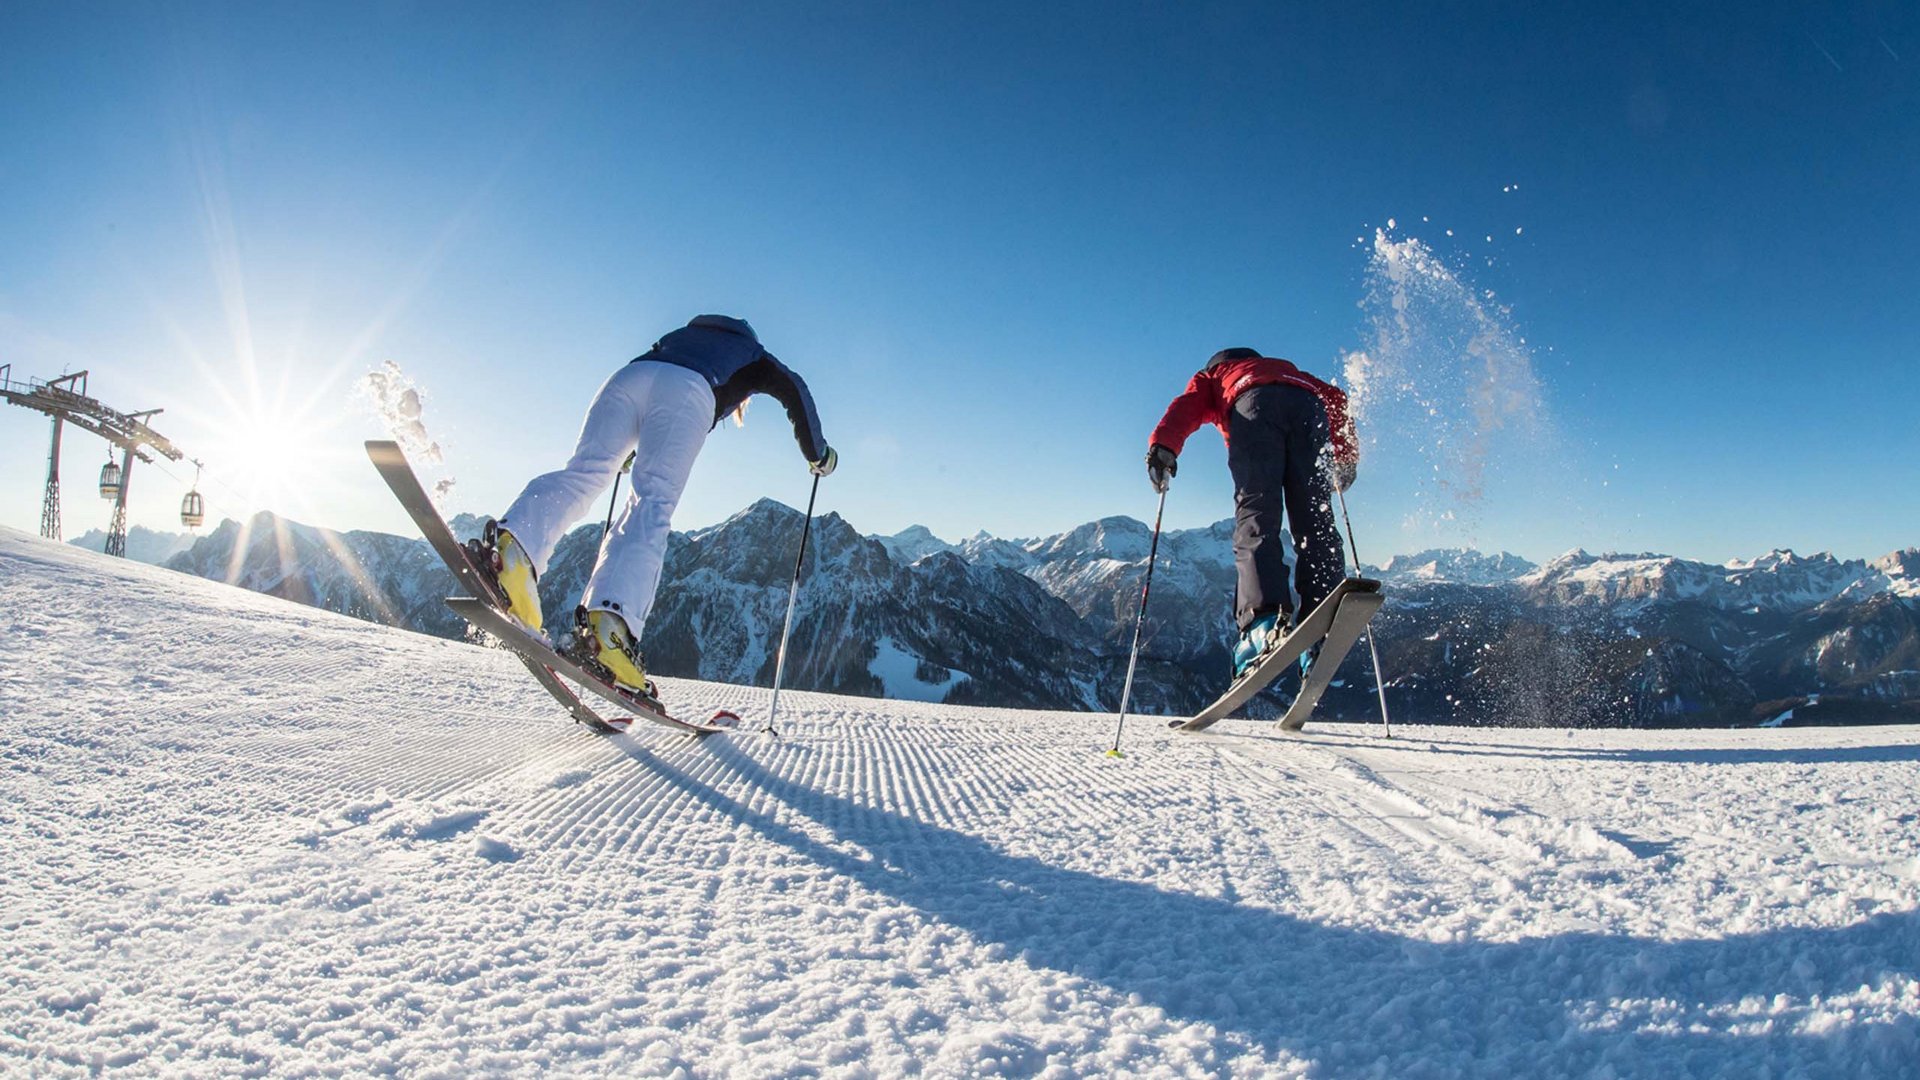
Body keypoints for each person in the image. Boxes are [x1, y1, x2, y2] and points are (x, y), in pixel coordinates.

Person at [484, 314, 835, 698]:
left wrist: (630, 449)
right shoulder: (752, 354)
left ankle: (513, 551)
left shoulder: (677, 337)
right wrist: (818, 454)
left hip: (626, 379)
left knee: (585, 471)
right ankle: (608, 632)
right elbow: (794, 389)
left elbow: (652, 389)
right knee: (651, 504)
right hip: (687, 392)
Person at [1146, 347, 1358, 680]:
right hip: (1308, 408)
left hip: (1253, 408)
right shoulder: (1291, 370)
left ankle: (1262, 622)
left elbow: (1186, 406)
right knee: (1314, 514)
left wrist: (1163, 447)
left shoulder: (1215, 377)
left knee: (1257, 513)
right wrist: (1345, 457)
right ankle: (1322, 616)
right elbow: (1337, 400)